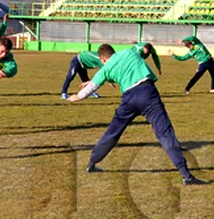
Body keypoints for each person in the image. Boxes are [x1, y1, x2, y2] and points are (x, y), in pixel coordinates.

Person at [68, 44, 205, 185]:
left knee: (113, 132)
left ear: (103, 59)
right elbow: (132, 59)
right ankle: (186, 175)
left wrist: (77, 96)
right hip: (148, 92)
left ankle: (92, 163)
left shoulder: (105, 69)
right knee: (165, 133)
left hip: (129, 99)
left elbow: (93, 86)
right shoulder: (128, 52)